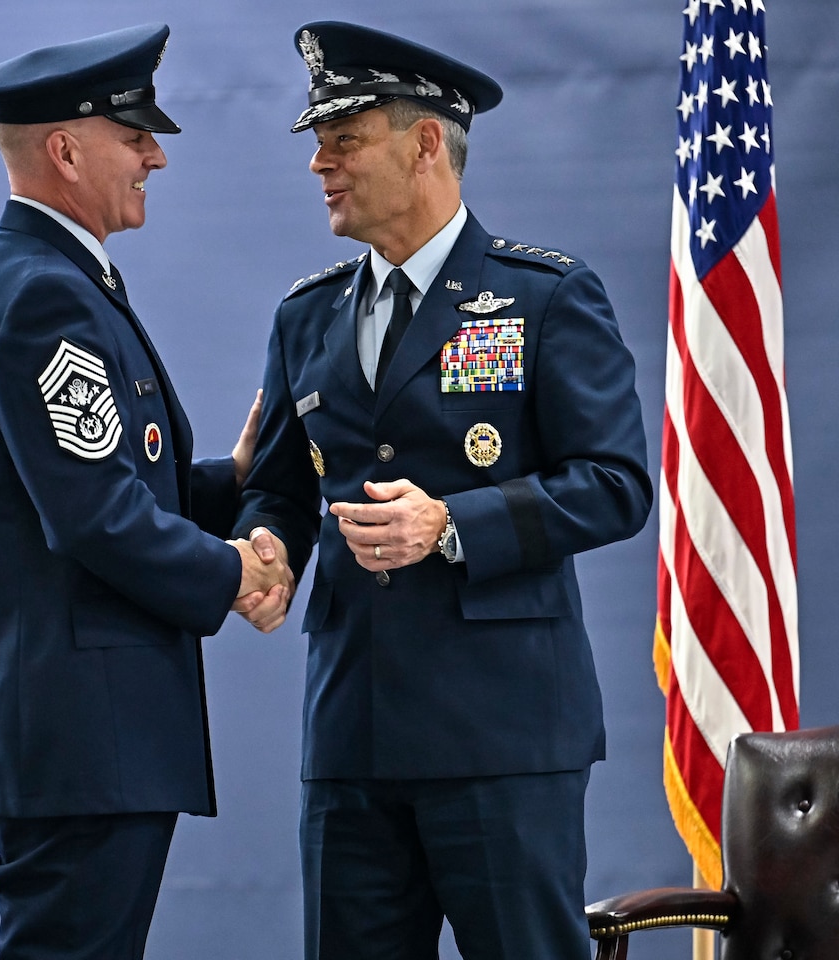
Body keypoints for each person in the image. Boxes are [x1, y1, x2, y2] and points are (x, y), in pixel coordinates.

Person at [233, 20, 654, 960]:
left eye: (343, 139)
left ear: (426, 141)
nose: (319, 165)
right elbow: (282, 490)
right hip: (352, 735)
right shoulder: (306, 315)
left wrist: (451, 524)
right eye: (315, 143)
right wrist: (268, 549)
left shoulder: (545, 297)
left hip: (502, 736)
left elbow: (617, 484)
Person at [0, 24, 292, 960]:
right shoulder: (42, 295)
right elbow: (94, 515)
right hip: (81, 735)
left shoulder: (48, 279)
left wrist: (232, 485)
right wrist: (235, 571)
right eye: (134, 136)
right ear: (65, 149)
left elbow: (105, 479)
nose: (155, 156)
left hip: (84, 733)